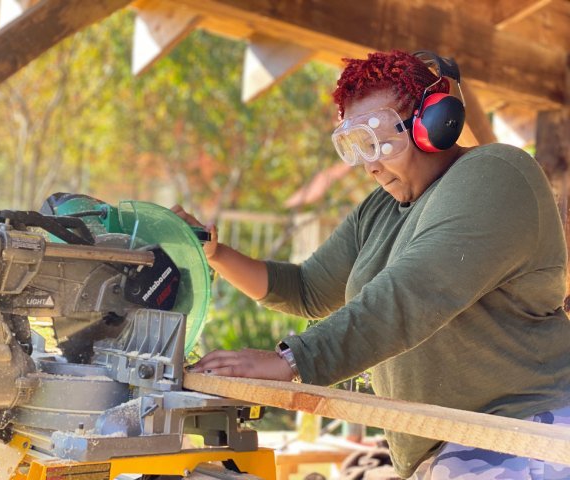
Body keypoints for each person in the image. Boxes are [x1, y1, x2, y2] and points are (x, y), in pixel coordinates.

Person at [172, 50, 570, 479]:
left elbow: (416, 290)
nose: (371, 164)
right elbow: (306, 290)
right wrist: (214, 252)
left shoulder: (497, 174)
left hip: (526, 435)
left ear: (435, 123)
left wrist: (292, 361)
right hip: (449, 446)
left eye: (381, 140)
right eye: (357, 146)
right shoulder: (381, 210)